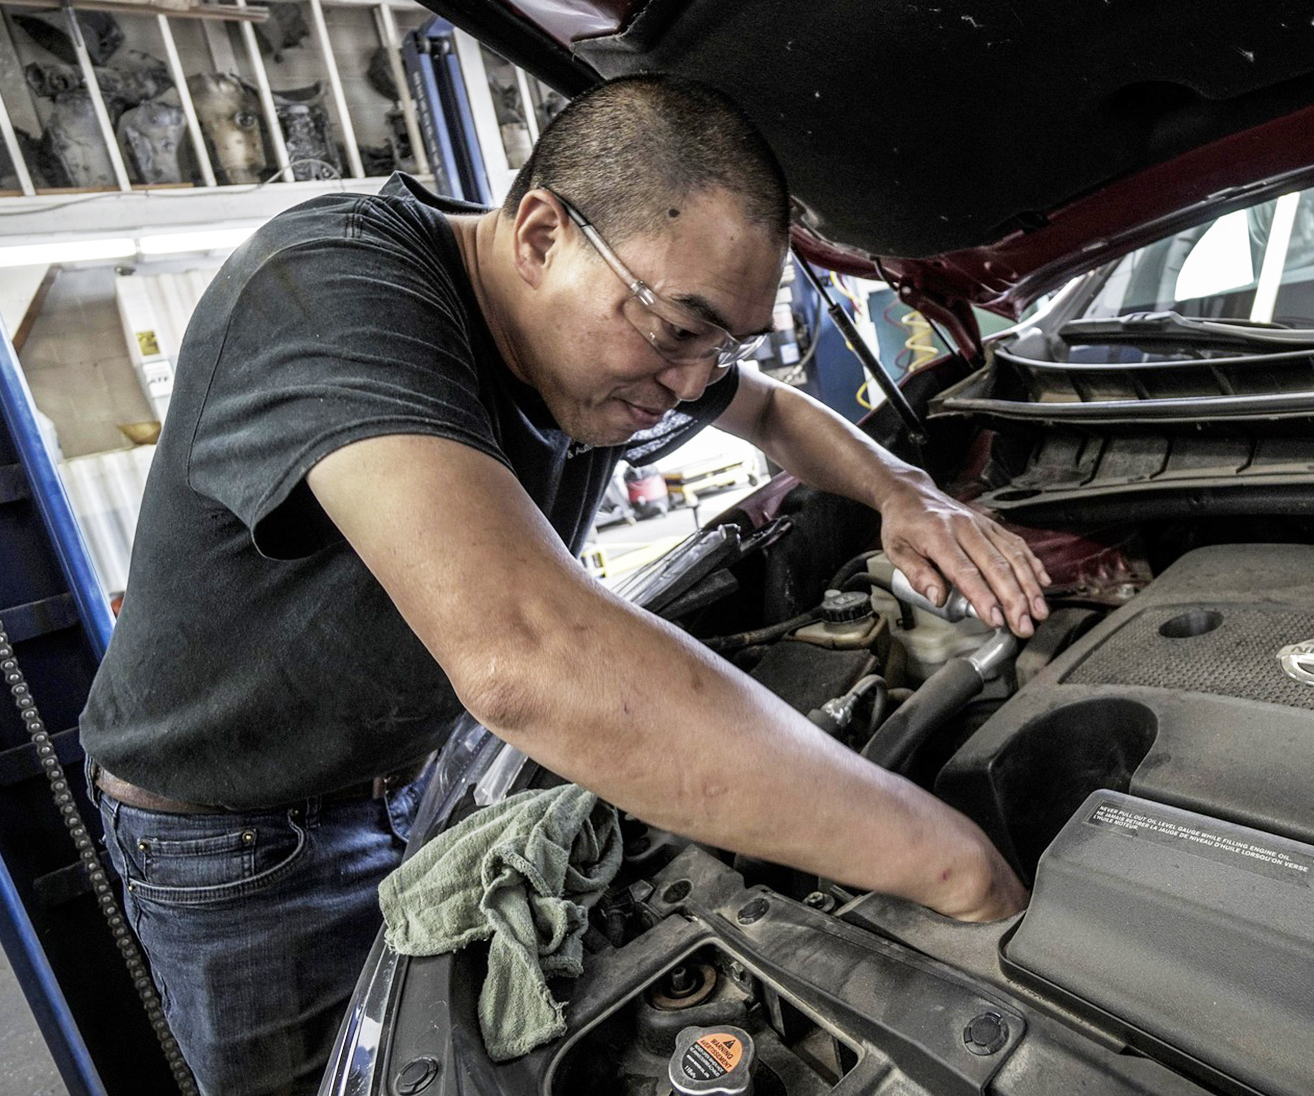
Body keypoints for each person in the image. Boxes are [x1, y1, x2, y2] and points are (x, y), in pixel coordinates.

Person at [78, 75, 1046, 1096]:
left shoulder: (598, 317)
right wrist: (947, 862)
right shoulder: (328, 292)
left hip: (421, 775)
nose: (691, 381)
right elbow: (525, 656)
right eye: (677, 332)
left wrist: (902, 492)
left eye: (720, 343)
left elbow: (767, 411)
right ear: (541, 236)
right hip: (242, 843)